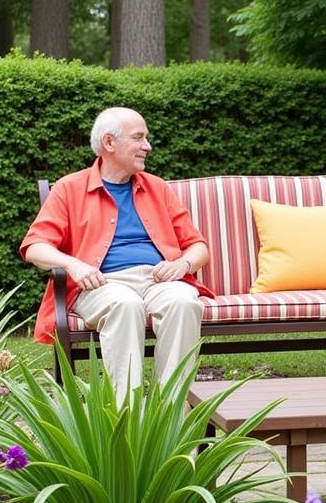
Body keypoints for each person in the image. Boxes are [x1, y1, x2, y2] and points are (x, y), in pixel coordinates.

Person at [21, 106, 213, 401]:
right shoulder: (69, 188)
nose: (147, 146)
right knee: (124, 304)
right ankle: (128, 417)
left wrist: (182, 264)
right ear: (109, 143)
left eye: (146, 138)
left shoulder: (157, 188)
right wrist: (73, 265)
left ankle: (169, 417)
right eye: (139, 138)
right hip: (102, 284)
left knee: (184, 301)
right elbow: (35, 247)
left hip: (158, 280)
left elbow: (198, 246)